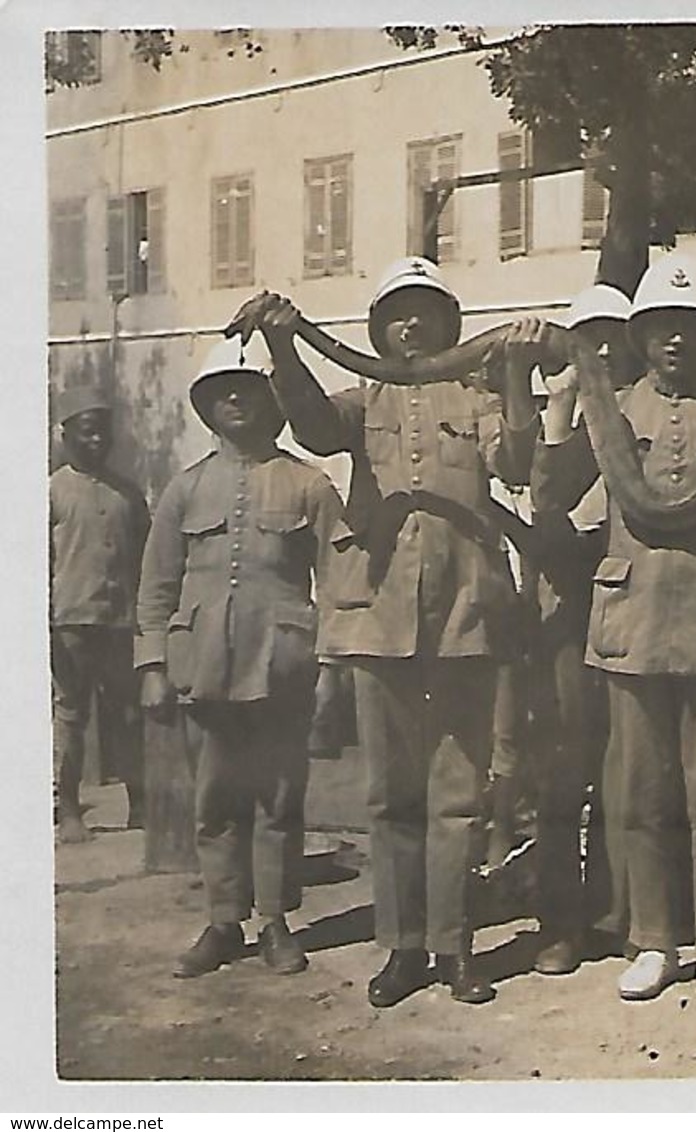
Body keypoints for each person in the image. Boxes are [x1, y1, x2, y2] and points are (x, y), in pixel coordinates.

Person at [256, 257, 542, 1007]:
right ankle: (402, 947)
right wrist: (285, 346)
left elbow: (515, 461)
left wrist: (513, 378)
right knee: (390, 796)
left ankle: (454, 948)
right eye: (396, 314)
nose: (411, 325)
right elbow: (314, 428)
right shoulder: (364, 400)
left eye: (425, 312)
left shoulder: (476, 396)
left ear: (449, 323)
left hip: (466, 619)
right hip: (378, 620)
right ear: (379, 330)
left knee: (456, 794)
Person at [540, 253, 696, 1015]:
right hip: (633, 622)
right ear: (639, 337)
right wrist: (557, 415)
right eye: (659, 328)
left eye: (687, 326)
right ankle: (651, 942)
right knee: (639, 797)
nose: (674, 339)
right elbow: (553, 501)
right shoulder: (610, 408)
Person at [136, 336, 343, 978]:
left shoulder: (310, 485)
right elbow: (156, 587)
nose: (236, 399)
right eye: (223, 390)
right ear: (204, 405)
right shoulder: (185, 489)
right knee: (215, 798)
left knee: (280, 799)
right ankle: (224, 920)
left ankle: (277, 920)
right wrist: (151, 667)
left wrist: (331, 670)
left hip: (282, 666)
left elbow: (339, 585)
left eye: (249, 389)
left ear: (273, 402)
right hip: (203, 668)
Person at [523, 282, 644, 974]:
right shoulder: (559, 412)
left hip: (633, 607)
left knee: (625, 772)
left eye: (611, 335)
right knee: (563, 773)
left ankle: (616, 915)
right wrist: (560, 411)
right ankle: (559, 923)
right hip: (568, 611)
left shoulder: (646, 408)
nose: (600, 347)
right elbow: (547, 509)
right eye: (588, 335)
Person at [49, 385, 149, 843]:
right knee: (72, 714)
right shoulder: (50, 491)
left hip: (122, 622)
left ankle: (143, 804)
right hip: (70, 621)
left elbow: (150, 558)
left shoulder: (129, 494)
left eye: (103, 434)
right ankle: (68, 808)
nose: (96, 442)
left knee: (130, 713)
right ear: (64, 435)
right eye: (87, 433)